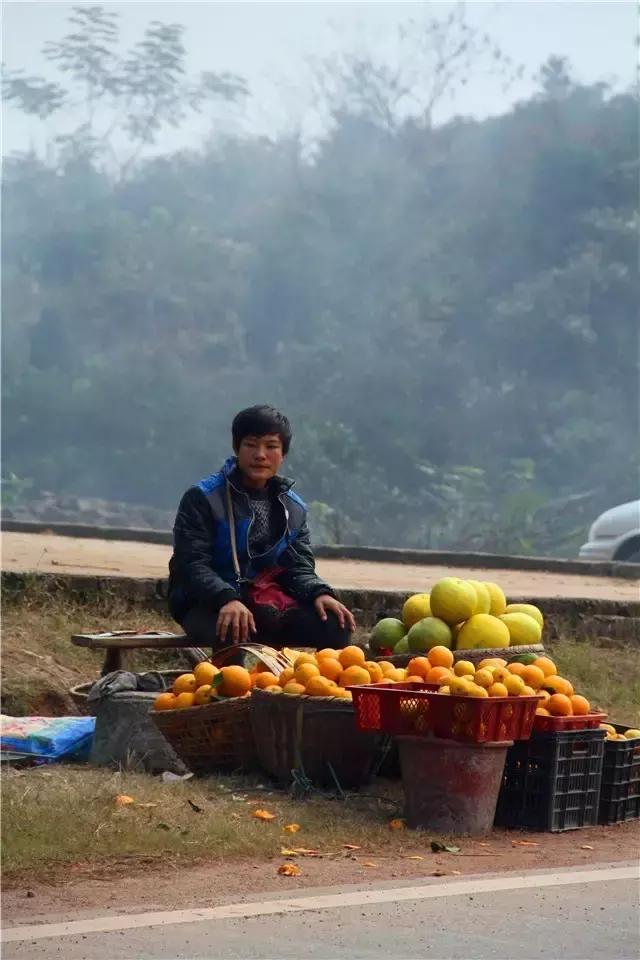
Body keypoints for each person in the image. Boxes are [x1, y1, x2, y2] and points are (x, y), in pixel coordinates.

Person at [168, 405, 356, 651]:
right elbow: (191, 564)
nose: (260, 454)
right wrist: (227, 598)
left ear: (283, 454)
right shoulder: (203, 498)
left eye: (271, 446)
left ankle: (312, 686)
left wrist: (319, 593)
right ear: (236, 448)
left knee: (335, 624)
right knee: (233, 627)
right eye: (251, 445)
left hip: (266, 600)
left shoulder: (294, 508)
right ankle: (230, 687)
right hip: (206, 602)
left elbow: (297, 566)